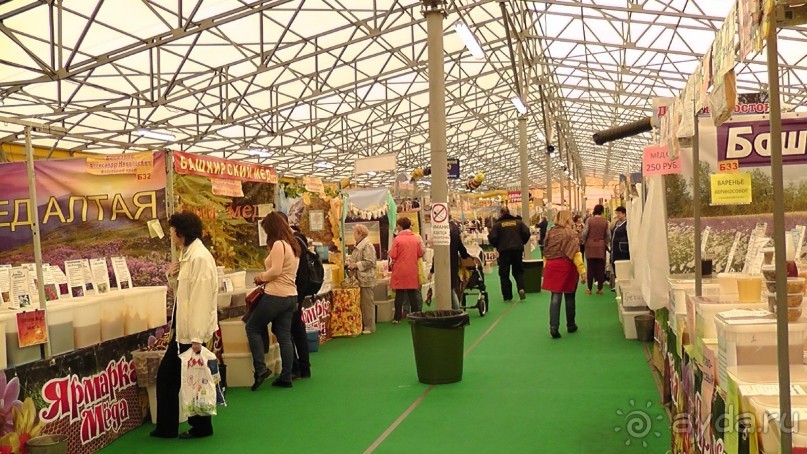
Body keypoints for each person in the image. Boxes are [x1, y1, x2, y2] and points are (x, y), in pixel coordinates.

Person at [152, 211, 218, 439]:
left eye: (172, 230)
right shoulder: (188, 254)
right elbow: (185, 296)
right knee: (182, 378)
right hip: (184, 331)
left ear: (180, 232)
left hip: (191, 333)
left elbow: (200, 299)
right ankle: (176, 427)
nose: (170, 234)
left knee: (190, 378)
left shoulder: (199, 258)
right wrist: (172, 277)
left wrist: (197, 338)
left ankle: (193, 427)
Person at [247, 212, 300, 390]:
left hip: (275, 294)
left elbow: (275, 271)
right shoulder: (293, 245)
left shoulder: (278, 245)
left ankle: (260, 368)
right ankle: (287, 375)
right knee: (284, 335)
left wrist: (261, 277)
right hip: (291, 295)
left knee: (252, 327)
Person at [542, 210, 587, 339]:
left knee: (555, 297)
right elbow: (576, 254)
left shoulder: (550, 232)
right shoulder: (571, 233)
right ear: (567, 220)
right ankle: (571, 325)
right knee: (570, 296)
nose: (572, 220)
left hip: (551, 265)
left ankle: (553, 327)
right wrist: (582, 271)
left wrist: (545, 267)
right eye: (571, 218)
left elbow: (545, 250)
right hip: (566, 266)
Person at [488, 207, 531, 301]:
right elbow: (527, 233)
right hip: (517, 250)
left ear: (500, 214)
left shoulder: (497, 225)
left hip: (504, 251)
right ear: (509, 213)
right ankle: (521, 288)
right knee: (518, 271)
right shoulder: (519, 223)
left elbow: (492, 237)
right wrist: (521, 242)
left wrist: (497, 245)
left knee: (504, 274)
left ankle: (507, 296)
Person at [289, 222, 312, 380]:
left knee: (287, 330)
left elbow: (299, 273)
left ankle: (295, 367)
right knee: (297, 329)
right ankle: (303, 367)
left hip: (294, 292)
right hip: (299, 291)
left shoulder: (293, 243)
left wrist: (297, 297)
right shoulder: (300, 240)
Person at [389, 217, 424, 324]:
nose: (397, 228)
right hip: (412, 269)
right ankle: (415, 315)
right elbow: (420, 253)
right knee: (412, 294)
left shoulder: (397, 239)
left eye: (398, 225)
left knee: (399, 294)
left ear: (401, 226)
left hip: (400, 269)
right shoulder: (416, 238)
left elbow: (393, 254)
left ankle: (397, 318)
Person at [348, 224, 377, 334]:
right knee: (363, 303)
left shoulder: (367, 245)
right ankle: (364, 325)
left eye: (354, 233)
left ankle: (369, 326)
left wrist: (356, 265)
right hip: (359, 278)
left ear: (360, 233)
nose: (353, 235)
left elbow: (370, 262)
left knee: (367, 303)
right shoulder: (359, 245)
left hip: (366, 279)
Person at [581, 204, 610, 295]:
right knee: (600, 268)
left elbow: (585, 233)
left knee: (590, 267)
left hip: (590, 246)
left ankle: (589, 289)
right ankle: (600, 289)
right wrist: (604, 243)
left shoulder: (589, 220)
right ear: (602, 212)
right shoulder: (606, 222)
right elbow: (608, 235)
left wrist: (585, 241)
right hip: (601, 246)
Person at [610, 206, 630, 281]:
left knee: (621, 266)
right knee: (614, 264)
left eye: (619, 213)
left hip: (622, 250)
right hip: (615, 250)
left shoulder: (627, 223)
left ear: (624, 214)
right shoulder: (616, 223)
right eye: (617, 213)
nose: (617, 215)